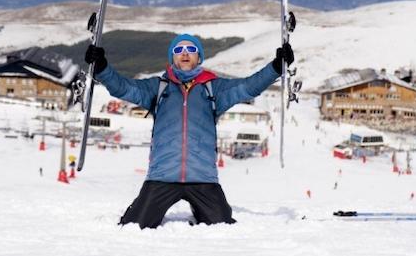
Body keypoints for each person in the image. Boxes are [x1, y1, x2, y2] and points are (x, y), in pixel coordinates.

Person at [85, 34, 293, 229]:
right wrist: (102, 68)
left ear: (199, 57)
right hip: (162, 176)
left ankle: (201, 208)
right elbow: (123, 87)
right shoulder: (158, 87)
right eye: (179, 49)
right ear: (172, 57)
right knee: (134, 226)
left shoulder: (214, 88)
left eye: (191, 49)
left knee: (222, 226)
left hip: (203, 178)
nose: (185, 53)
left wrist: (276, 67)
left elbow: (249, 86)